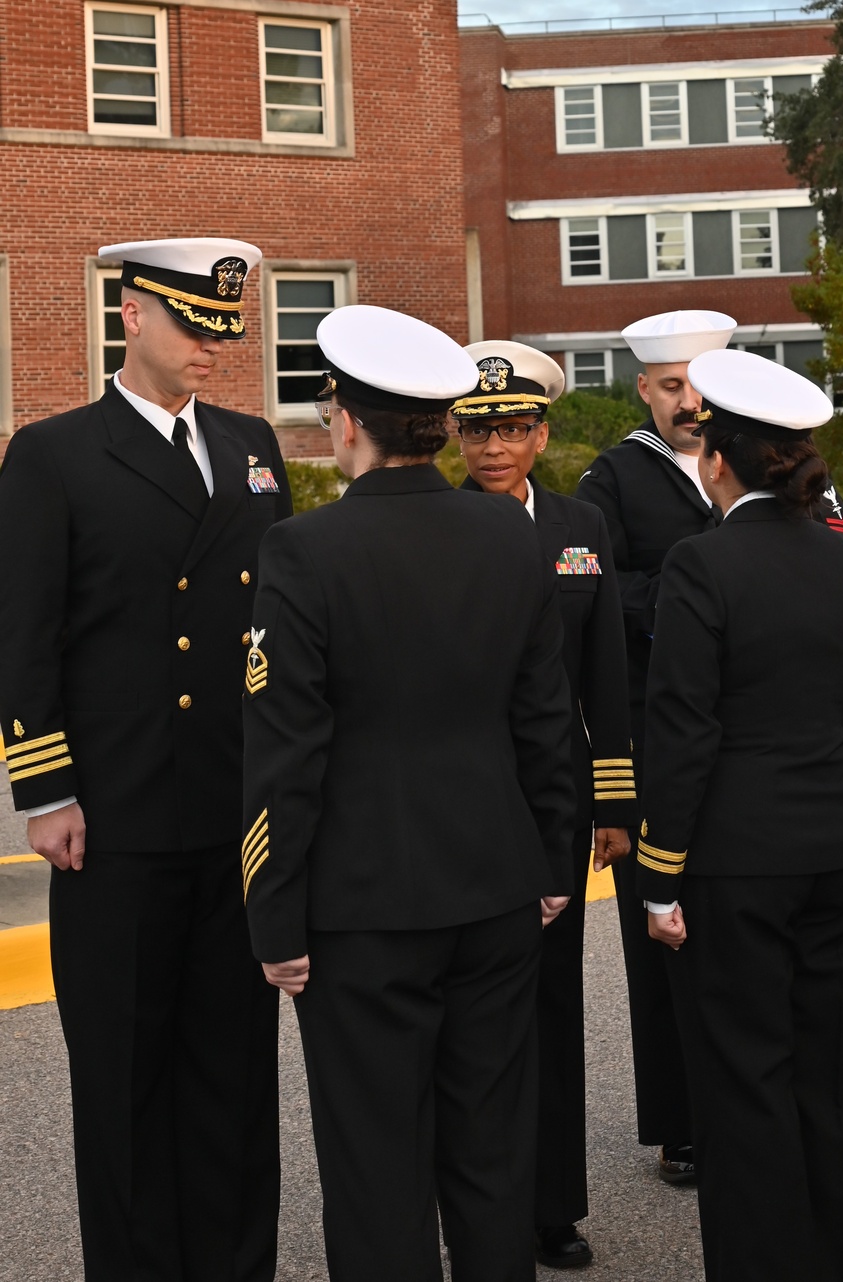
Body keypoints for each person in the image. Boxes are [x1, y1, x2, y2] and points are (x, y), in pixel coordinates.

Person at [241, 305, 577, 1282]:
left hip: (361, 904)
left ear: (343, 420)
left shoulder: (304, 552)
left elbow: (285, 752)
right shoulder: (514, 533)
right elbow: (544, 717)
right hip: (497, 887)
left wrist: (275, 918)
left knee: (375, 1163)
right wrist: (552, 860)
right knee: (491, 1152)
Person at [0, 238, 290, 1280]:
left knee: (233, 1067)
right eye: (193, 323)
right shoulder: (54, 451)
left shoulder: (254, 445)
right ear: (131, 315)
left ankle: (233, 1262)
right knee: (125, 1074)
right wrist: (47, 788)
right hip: (113, 817)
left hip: (234, 808)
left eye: (225, 325)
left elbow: (278, 630)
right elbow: (24, 632)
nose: (215, 343)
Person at [575, 309, 843, 1183]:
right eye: (671, 387)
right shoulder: (615, 478)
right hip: (664, 717)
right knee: (666, 954)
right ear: (644, 390)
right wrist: (685, 604)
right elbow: (596, 583)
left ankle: (755, 1128)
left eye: (699, 385)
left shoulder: (770, 460)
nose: (689, 404)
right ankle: (681, 1122)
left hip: (756, 748)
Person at [639, 348, 843, 1282]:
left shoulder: (700, 564)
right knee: (822, 1069)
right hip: (838, 850)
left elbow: (683, 731)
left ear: (718, 462)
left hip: (735, 862)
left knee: (742, 1083)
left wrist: (659, 877)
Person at [452, 340, 637, 1270]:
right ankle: (471, 1209)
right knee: (466, 1014)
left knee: (550, 1002)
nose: (494, 447)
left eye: (513, 428)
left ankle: (552, 1203)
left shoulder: (580, 525)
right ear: (452, 431)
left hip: (557, 800)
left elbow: (605, 671)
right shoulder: (435, 523)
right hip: (462, 799)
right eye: (478, 428)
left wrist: (613, 803)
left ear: (542, 432)